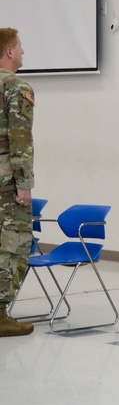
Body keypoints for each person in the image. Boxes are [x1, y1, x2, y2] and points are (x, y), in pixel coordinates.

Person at [0, 28, 35, 337]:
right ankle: (0, 314)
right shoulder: (16, 86)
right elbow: (19, 139)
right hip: (6, 185)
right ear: (9, 52)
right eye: (20, 47)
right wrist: (24, 185)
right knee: (15, 247)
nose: (23, 51)